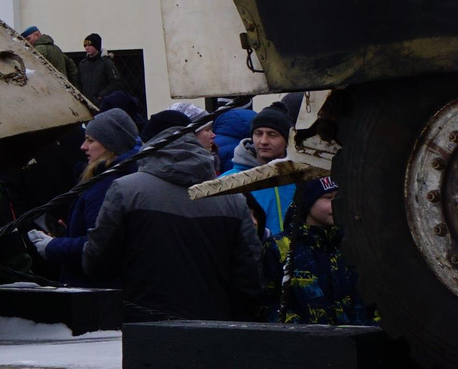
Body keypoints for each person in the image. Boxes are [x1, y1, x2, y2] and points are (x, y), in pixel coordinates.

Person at [82, 108, 264, 320]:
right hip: (215, 328)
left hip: (145, 327)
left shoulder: (126, 191)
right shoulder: (232, 198)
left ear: (148, 144)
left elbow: (95, 261)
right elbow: (250, 275)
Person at [26, 109, 137, 278]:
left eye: (90, 140)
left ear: (110, 145)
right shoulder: (106, 179)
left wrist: (53, 245)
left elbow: (98, 245)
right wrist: (68, 234)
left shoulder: (106, 186)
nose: (83, 146)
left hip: (93, 290)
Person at [275, 177, 373, 325]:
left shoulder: (356, 244)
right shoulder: (280, 247)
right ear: (308, 202)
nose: (336, 203)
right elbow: (272, 304)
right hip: (307, 343)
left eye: (339, 197)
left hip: (359, 342)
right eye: (328, 198)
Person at [230, 105, 299, 242]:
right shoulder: (230, 181)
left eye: (273, 134)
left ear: (287, 140)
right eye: (258, 133)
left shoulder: (301, 177)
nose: (263, 141)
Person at [71, 35, 125, 105]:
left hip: (102, 105)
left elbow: (116, 83)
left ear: (96, 46)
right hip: (85, 104)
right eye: (85, 46)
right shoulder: (83, 64)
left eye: (89, 45)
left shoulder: (106, 62)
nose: (86, 48)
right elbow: (78, 82)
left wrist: (101, 96)